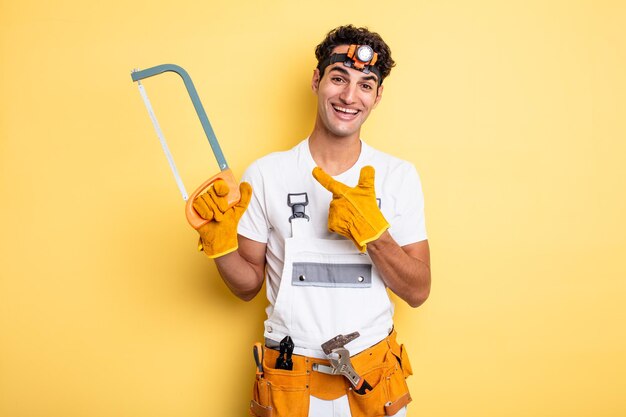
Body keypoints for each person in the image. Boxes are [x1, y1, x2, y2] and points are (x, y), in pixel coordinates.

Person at [192, 25, 431, 417]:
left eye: (365, 85)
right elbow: (248, 285)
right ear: (317, 79)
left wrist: (375, 234)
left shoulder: (398, 176)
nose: (349, 96)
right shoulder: (267, 174)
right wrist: (221, 248)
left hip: (373, 380)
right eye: (339, 79)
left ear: (378, 95)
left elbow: (418, 291)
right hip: (289, 380)